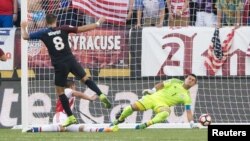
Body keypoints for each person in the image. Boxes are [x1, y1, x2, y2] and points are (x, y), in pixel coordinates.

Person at [21, 13, 111, 127]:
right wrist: (98, 23)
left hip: (59, 65)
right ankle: (101, 95)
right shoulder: (63, 28)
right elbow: (82, 29)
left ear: (46, 22)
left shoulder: (43, 32)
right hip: (71, 60)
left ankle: (71, 117)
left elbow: (25, 37)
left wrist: (23, 27)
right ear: (56, 20)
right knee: (85, 79)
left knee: (60, 92)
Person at [23, 79, 118, 133]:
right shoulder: (67, 90)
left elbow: (77, 96)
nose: (75, 88)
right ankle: (34, 129)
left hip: (68, 117)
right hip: (60, 115)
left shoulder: (67, 94)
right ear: (72, 86)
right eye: (75, 86)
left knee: (80, 128)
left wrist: (96, 94)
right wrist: (90, 98)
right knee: (60, 128)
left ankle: (103, 130)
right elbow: (79, 94)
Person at [110, 74, 199, 129]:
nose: (190, 80)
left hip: (162, 105)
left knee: (166, 113)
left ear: (194, 84)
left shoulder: (187, 97)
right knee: (131, 107)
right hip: (152, 97)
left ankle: (147, 124)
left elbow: (188, 111)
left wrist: (192, 124)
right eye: (189, 78)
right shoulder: (175, 81)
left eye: (192, 80)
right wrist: (152, 90)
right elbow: (161, 84)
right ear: (186, 78)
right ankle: (119, 120)